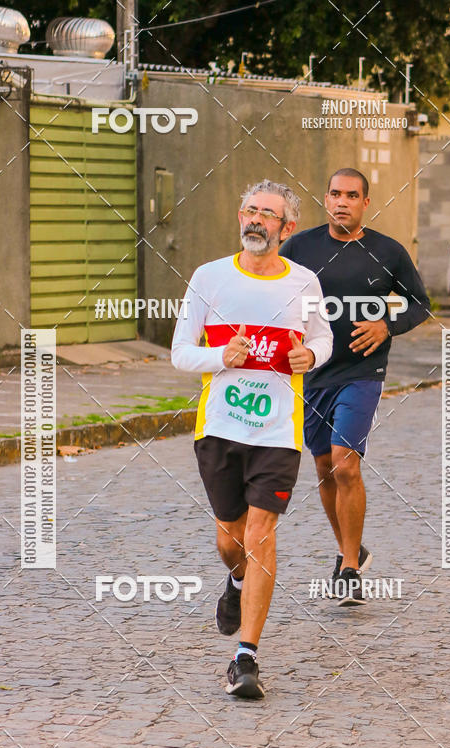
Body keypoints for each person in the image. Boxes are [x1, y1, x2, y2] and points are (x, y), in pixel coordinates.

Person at [171, 179, 332, 698]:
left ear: (286, 228)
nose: (256, 220)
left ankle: (246, 658)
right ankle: (236, 583)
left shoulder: (304, 282)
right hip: (218, 428)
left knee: (262, 534)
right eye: (250, 210)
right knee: (230, 540)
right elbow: (179, 353)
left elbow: (321, 338)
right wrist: (222, 357)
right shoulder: (209, 277)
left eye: (269, 214)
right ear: (240, 217)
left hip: (277, 432)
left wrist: (313, 356)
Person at [280, 168, 431, 606]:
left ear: (366, 202)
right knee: (325, 467)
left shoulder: (387, 251)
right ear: (325, 199)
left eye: (351, 195)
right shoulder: (300, 247)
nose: (341, 201)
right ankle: (352, 549)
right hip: (313, 373)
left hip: (362, 373)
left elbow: (420, 303)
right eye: (334, 194)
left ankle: (348, 569)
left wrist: (387, 325)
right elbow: (275, 291)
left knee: (346, 464)